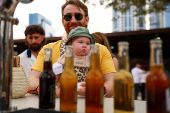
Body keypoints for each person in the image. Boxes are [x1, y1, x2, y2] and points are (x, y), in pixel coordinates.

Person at [28, 0, 116, 98]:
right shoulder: (48, 49)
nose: (73, 21)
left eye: (78, 16)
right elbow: (32, 79)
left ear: (86, 20)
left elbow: (112, 82)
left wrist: (101, 89)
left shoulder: (102, 50)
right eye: (68, 17)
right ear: (63, 21)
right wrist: (43, 88)